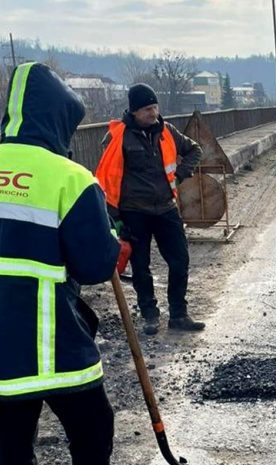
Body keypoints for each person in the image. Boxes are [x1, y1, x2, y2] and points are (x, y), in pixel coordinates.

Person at [0, 62, 152, 465]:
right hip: (52, 344)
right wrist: (113, 243)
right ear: (60, 118)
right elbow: (94, 265)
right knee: (93, 425)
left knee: (13, 448)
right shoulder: (69, 178)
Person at [96, 83, 204, 335]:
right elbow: (108, 171)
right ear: (134, 111)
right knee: (141, 266)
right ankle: (149, 315)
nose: (153, 113)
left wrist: (180, 174)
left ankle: (178, 314)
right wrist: (114, 216)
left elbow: (195, 150)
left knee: (180, 260)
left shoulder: (167, 131)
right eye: (147, 109)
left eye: (155, 107)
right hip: (134, 212)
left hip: (166, 208)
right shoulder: (116, 137)